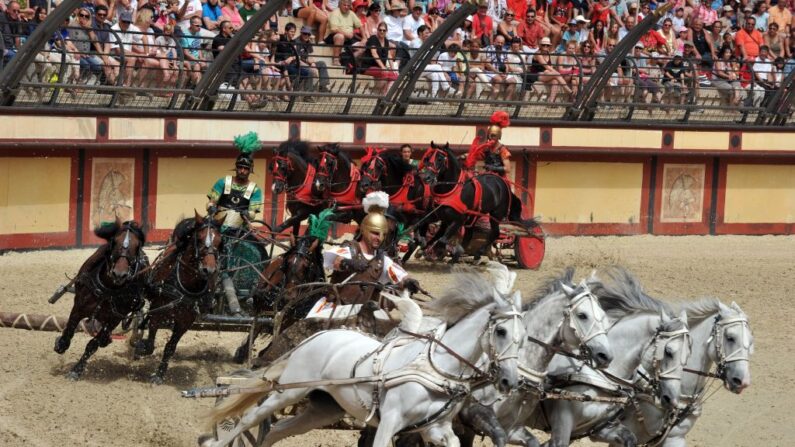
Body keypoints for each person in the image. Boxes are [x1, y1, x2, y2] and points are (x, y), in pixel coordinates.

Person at [322, 191, 421, 305]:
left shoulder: (381, 260)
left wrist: (409, 281)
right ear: (364, 230)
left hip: (360, 313)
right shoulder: (351, 248)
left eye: (382, 234)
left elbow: (399, 275)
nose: (379, 238)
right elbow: (337, 262)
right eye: (375, 233)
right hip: (334, 308)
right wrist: (350, 264)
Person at [207, 132, 265, 315]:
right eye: (239, 167)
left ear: (250, 170)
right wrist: (210, 207)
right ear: (236, 168)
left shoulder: (254, 189)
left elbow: (254, 213)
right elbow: (211, 201)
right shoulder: (223, 182)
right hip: (216, 225)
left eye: (245, 168)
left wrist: (247, 213)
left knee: (260, 251)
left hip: (239, 228)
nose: (242, 170)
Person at [464, 110, 512, 177]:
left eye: (493, 136)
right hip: (487, 175)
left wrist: (494, 168)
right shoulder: (487, 148)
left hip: (499, 177)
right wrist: (466, 156)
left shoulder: (502, 150)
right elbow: (477, 155)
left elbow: (508, 169)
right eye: (490, 135)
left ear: (498, 136)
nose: (491, 138)